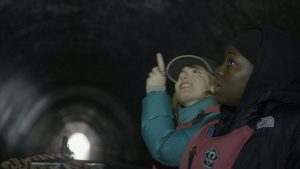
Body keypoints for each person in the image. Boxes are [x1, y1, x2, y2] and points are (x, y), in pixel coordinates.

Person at [179, 25, 300, 169]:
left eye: (231, 62)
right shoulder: (217, 128)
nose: (219, 71)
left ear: (263, 70)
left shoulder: (291, 126)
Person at [141, 53, 220, 168]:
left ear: (214, 86)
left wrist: (155, 90)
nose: (182, 77)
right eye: (180, 76)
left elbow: (164, 150)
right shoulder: (181, 128)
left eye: (196, 72)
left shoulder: (217, 124)